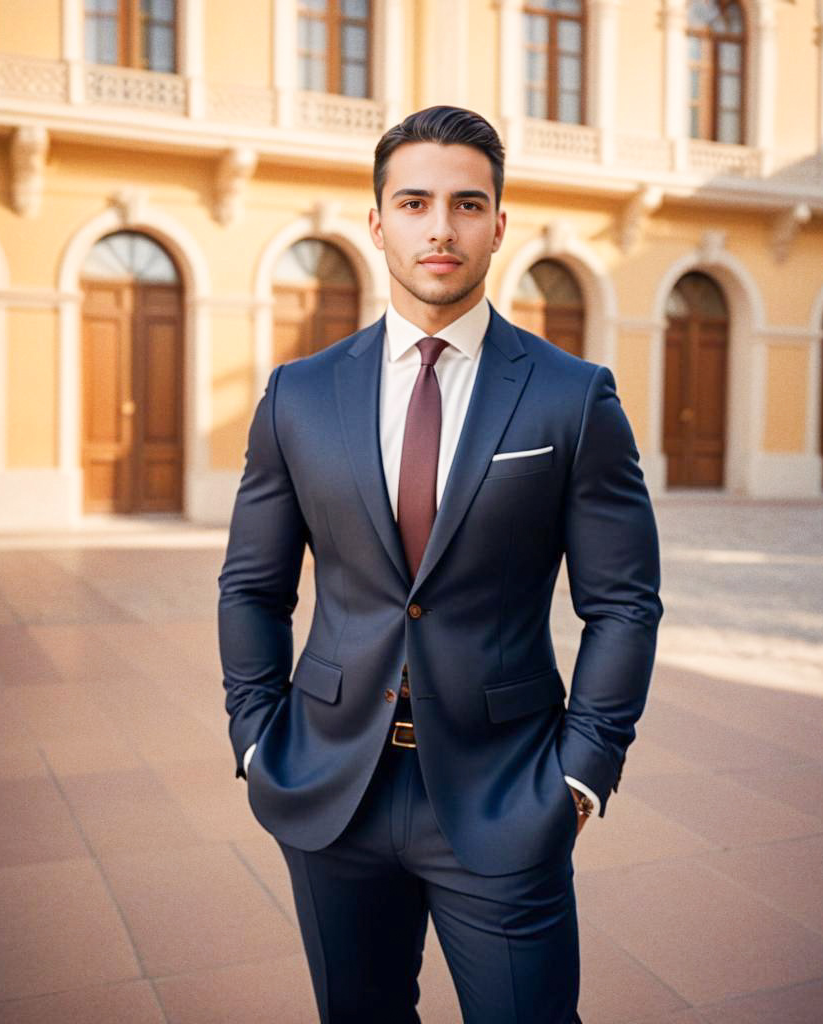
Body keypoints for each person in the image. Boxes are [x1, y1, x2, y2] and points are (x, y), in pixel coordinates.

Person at [219, 105, 663, 1024]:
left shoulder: (572, 398)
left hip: (506, 793)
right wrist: (257, 738)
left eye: (467, 204)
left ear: (499, 224)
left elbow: (623, 604)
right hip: (329, 785)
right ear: (377, 221)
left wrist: (583, 771)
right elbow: (253, 588)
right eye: (414, 202)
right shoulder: (298, 395)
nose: (440, 227)